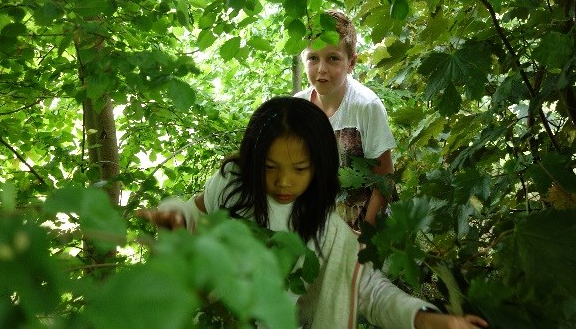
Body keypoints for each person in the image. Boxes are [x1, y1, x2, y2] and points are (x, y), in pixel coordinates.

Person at [138, 97, 487, 329]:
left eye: (300, 168)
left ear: (319, 168)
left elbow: (365, 288)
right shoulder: (234, 184)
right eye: (269, 166)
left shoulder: (325, 231)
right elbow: (192, 210)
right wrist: (174, 216)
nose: (283, 181)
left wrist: (429, 321)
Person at [295, 9, 395, 231]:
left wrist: (364, 238)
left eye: (333, 58)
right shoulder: (298, 108)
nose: (322, 69)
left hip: (364, 229)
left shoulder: (366, 106)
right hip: (319, 229)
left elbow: (385, 179)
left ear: (351, 63)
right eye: (313, 58)